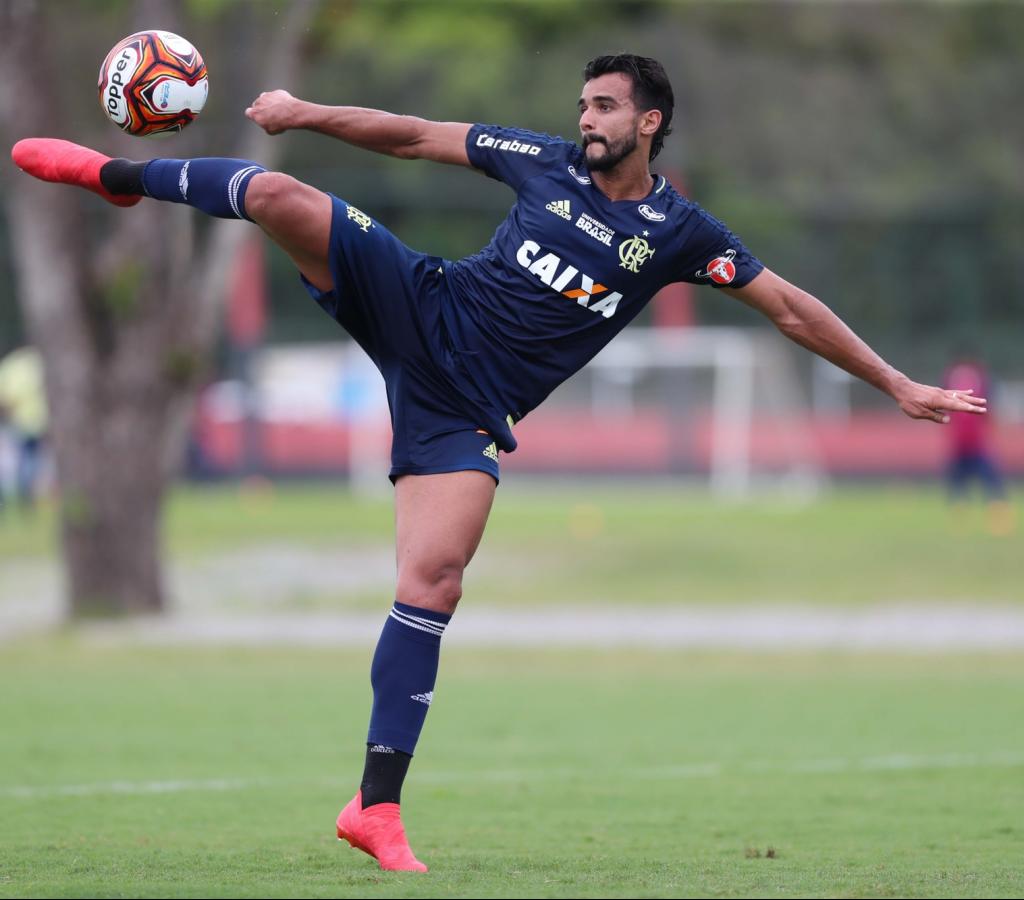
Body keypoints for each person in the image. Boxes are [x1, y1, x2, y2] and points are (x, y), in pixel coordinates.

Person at [11, 53, 986, 872]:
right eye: (582, 105)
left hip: (464, 408)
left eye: (603, 106)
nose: (585, 119)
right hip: (418, 301)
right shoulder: (541, 162)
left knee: (432, 583)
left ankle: (374, 808)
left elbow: (788, 306)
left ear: (650, 121)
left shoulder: (679, 234)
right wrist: (304, 113)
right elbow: (408, 134)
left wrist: (894, 382)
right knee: (274, 194)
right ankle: (107, 176)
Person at [943, 356, 1013, 535]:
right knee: (971, 484)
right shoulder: (976, 380)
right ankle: (978, 523)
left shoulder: (976, 381)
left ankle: (971, 523)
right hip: (967, 445)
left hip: (971, 444)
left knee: (977, 483)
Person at [0, 343, 48, 512]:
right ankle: (26, 498)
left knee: (25, 461)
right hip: (38, 422)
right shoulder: (37, 362)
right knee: (31, 461)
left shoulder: (9, 365)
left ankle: (24, 498)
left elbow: (4, 398)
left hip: (19, 422)